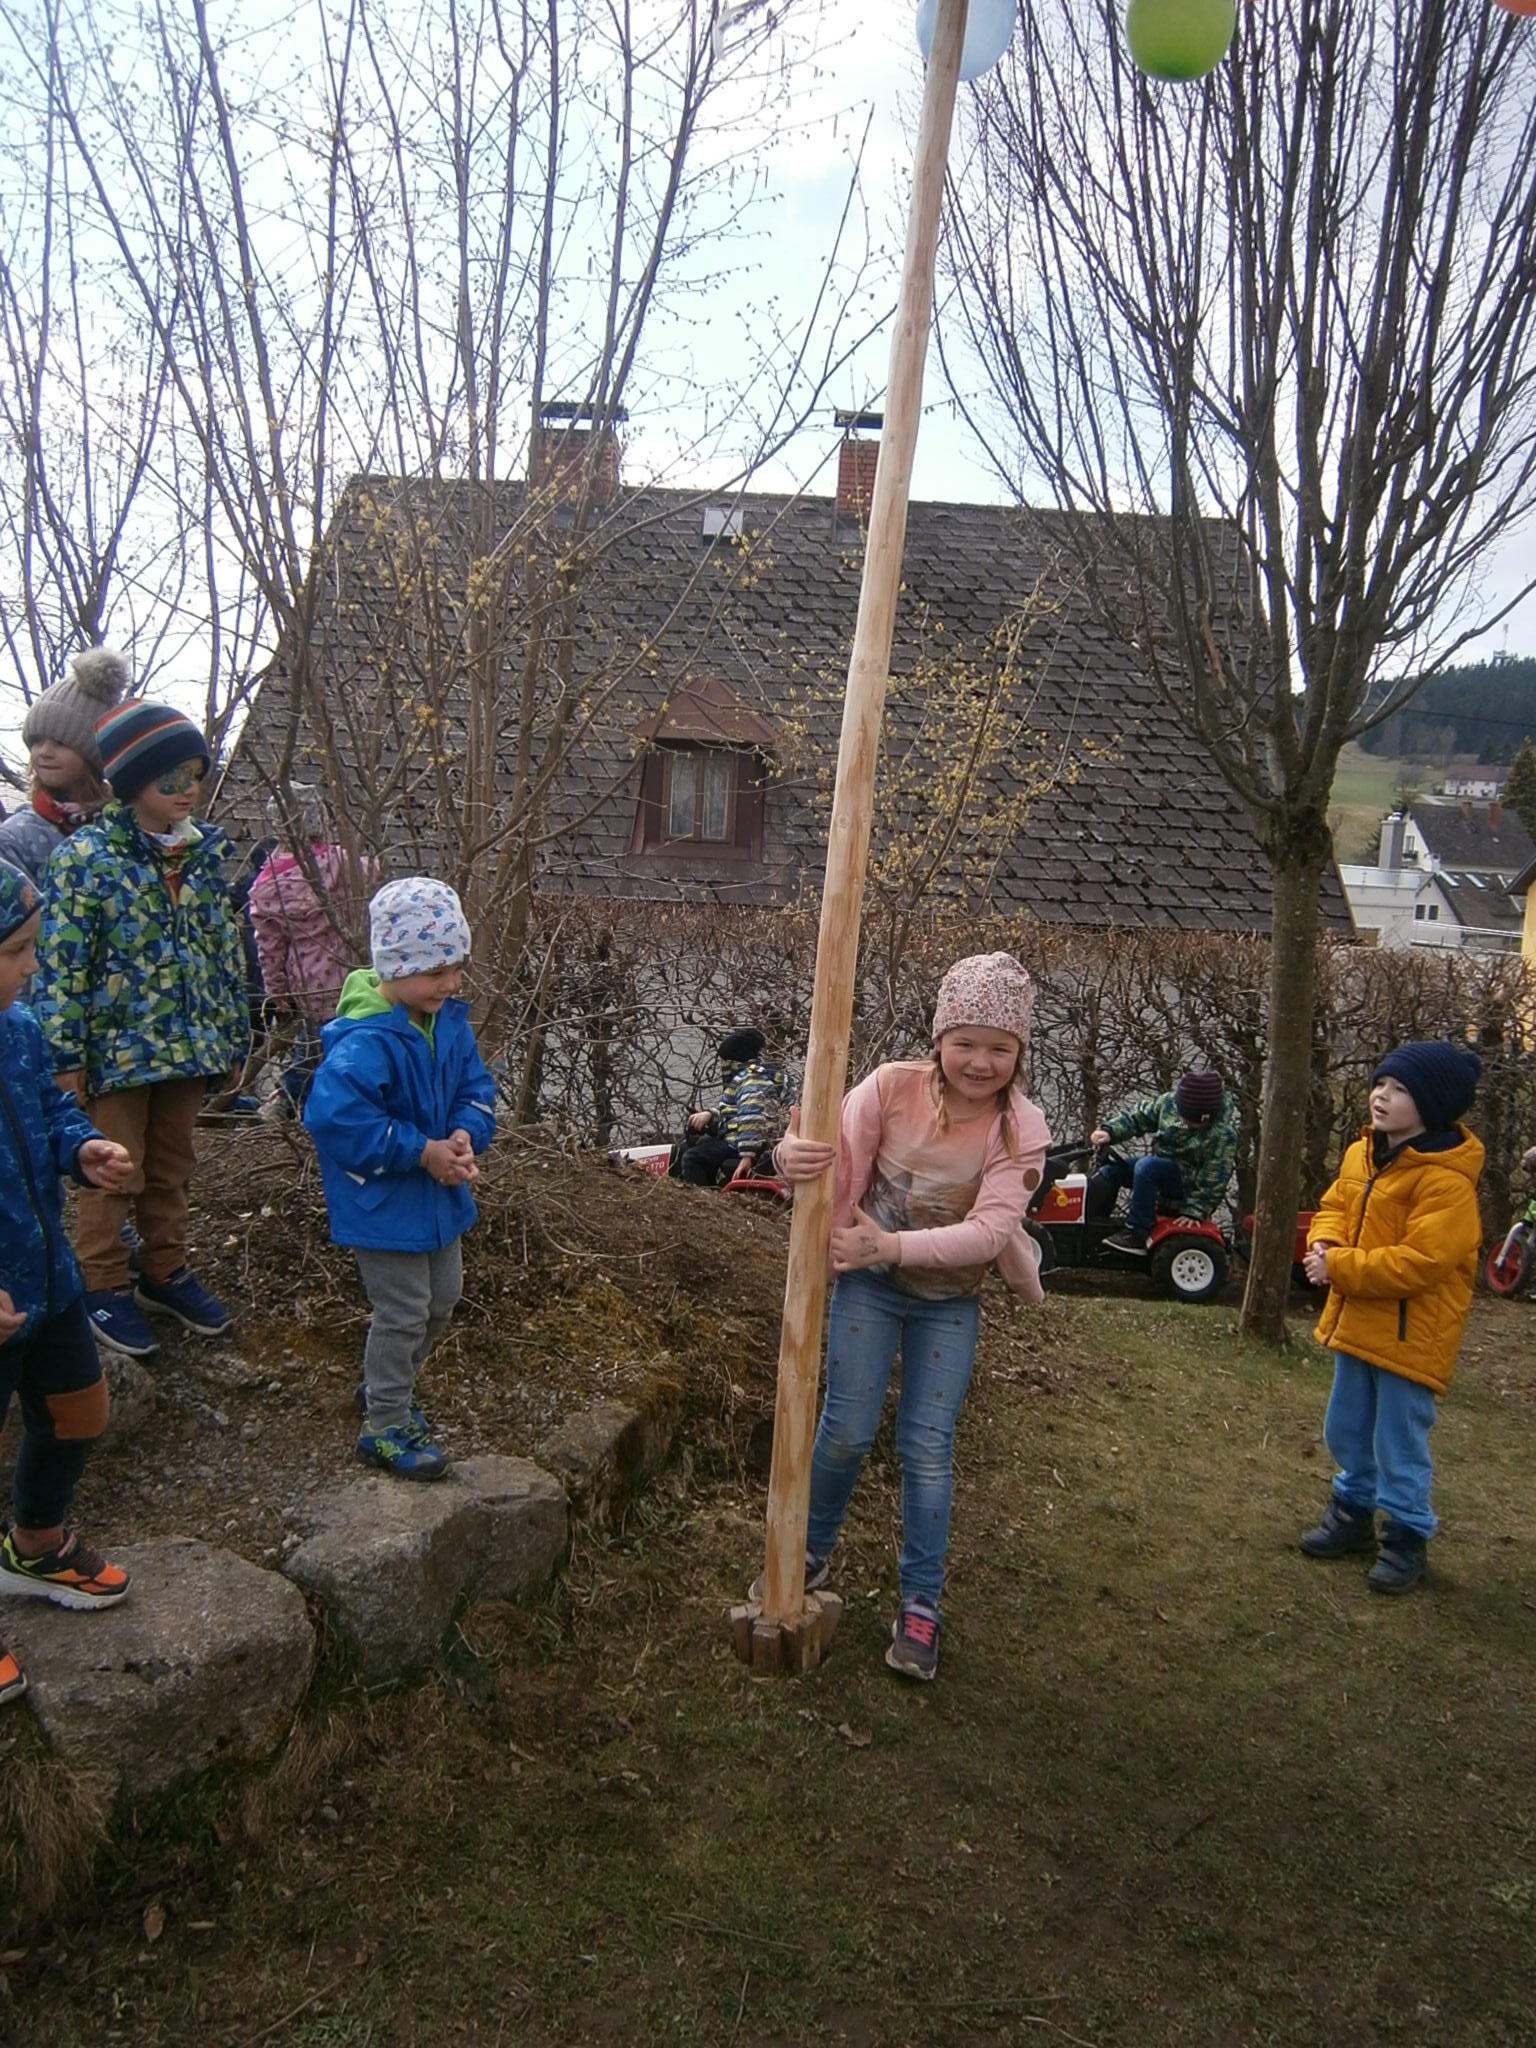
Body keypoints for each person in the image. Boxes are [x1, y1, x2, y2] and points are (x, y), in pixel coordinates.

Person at [771, 952, 1050, 1683]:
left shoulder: (1021, 1129)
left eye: (999, 1047)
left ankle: (921, 1603)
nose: (980, 1062)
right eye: (965, 1042)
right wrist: (788, 1152)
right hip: (872, 1285)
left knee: (927, 1451)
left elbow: (990, 1234)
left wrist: (888, 1242)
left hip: (950, 1303)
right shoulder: (892, 1089)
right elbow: (822, 1145)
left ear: (1019, 1051)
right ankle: (808, 1550)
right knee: (846, 1429)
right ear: (938, 1038)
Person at [31, 701, 251, 1358]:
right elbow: (62, 962)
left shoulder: (205, 854)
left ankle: (164, 1269)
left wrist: (231, 1037)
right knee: (112, 1168)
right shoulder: (86, 858)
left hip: (186, 1045)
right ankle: (100, 1282)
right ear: (130, 784)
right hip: (114, 1051)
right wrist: (64, 1053)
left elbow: (223, 952)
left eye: (193, 775)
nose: (186, 791)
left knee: (172, 1165)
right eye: (170, 779)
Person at [304, 879, 497, 1480]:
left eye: (456, 966)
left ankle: (386, 1382)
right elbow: (337, 1121)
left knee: (443, 1299)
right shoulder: (364, 1043)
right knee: (405, 1311)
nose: (451, 982)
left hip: (438, 1198)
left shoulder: (448, 1026)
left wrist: (466, 1134)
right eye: (436, 969)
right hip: (383, 1201)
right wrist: (420, 1152)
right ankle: (385, 1421)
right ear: (395, 964)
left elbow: (476, 1090)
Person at [0, 864, 136, 1707]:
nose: (31, 969)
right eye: (16, 952)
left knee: (80, 1409)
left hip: (43, 1279)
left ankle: (34, 1546)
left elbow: (47, 1114)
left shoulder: (17, 1029)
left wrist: (80, 1147)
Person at [1299, 1039, 1483, 1595]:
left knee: (1398, 1440)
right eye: (1381, 1083)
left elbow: (1420, 1264)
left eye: (1401, 1090)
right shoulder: (1363, 1154)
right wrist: (1323, 1242)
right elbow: (1334, 1205)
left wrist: (1340, 1267)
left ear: (1434, 1106)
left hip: (1410, 1336)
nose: (1382, 1096)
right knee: (1347, 1427)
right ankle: (1352, 1514)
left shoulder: (1446, 1183)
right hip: (1357, 1324)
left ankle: (1406, 1535)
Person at [247, 793, 379, 1117]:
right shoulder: (341, 864)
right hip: (353, 974)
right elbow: (376, 870)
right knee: (344, 1047)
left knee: (313, 1046)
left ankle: (288, 1105)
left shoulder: (269, 883)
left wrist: (278, 991)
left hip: (308, 982)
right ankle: (327, 1106)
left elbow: (269, 948)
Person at [0, 648, 129, 890]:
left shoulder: (126, 826)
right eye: (37, 740)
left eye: (60, 743)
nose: (44, 752)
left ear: (93, 754)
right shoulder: (15, 838)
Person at [1088, 1067, 1237, 1253]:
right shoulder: (1169, 1105)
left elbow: (1214, 1177)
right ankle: (1097, 1222)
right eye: (1186, 1118)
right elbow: (1139, 1118)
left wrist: (1195, 1210)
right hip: (1162, 1167)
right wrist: (1110, 1131)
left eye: (1195, 1123)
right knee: (1113, 1169)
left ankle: (1137, 1232)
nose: (1188, 1124)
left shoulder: (1221, 1134)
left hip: (1187, 1181)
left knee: (1146, 1167)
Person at [678, 1027, 790, 1186]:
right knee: (692, 1147)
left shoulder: (751, 1081)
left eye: (725, 1061)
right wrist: (710, 1115)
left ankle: (703, 1202)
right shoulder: (757, 1077)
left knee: (692, 1159)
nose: (723, 1066)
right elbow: (735, 1111)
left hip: (750, 1145)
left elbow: (751, 1117)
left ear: (734, 1061)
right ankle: (713, 1189)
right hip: (746, 1141)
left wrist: (747, 1155)